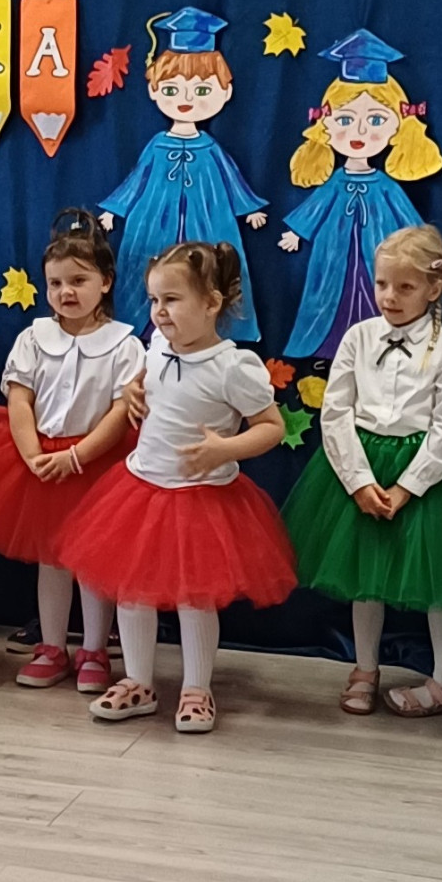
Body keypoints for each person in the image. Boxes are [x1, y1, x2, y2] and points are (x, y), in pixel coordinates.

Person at [58, 242, 293, 733]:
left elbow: (271, 427)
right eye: (153, 300)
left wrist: (225, 449)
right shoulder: (159, 346)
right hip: (142, 487)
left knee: (194, 598)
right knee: (132, 591)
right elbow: (147, 381)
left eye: (172, 300)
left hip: (201, 499)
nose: (159, 311)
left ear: (211, 303)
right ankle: (138, 681)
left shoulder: (233, 366)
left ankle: (197, 688)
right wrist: (135, 390)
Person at [282, 225, 442, 718]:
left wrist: (407, 487)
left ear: (433, 287)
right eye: (382, 284)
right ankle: (365, 667)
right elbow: (336, 414)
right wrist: (359, 482)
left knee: (440, 581)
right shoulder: (358, 337)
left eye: (405, 287)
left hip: (430, 476)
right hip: (361, 466)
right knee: (365, 573)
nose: (389, 296)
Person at [0, 212, 141, 691]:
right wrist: (31, 455)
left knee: (93, 561)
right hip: (41, 461)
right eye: (55, 283)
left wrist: (79, 456)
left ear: (106, 282)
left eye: (78, 281)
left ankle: (94, 650)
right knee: (52, 559)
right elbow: (19, 399)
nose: (66, 292)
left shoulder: (125, 344)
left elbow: (120, 410)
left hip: (97, 464)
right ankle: (51, 646)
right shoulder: (33, 338)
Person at [99, 8, 267, 341]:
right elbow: (137, 181)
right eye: (172, 89)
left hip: (207, 218)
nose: (187, 99)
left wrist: (249, 208)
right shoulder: (156, 146)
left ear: (225, 92)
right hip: (152, 220)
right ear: (154, 89)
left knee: (205, 274)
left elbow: (230, 180)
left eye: (201, 91)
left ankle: (210, 333)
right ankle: (147, 330)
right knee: (148, 273)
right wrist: (113, 210)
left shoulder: (210, 148)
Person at [278, 30, 442, 359]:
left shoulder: (386, 186)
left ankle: (375, 351)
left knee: (376, 292)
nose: (361, 132)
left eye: (376, 120)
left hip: (377, 255)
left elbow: (411, 224)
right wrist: (297, 232)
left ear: (397, 126)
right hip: (331, 253)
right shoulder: (335, 182)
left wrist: (424, 250)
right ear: (326, 124)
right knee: (329, 296)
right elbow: (317, 207)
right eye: (345, 120)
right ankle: (328, 352)